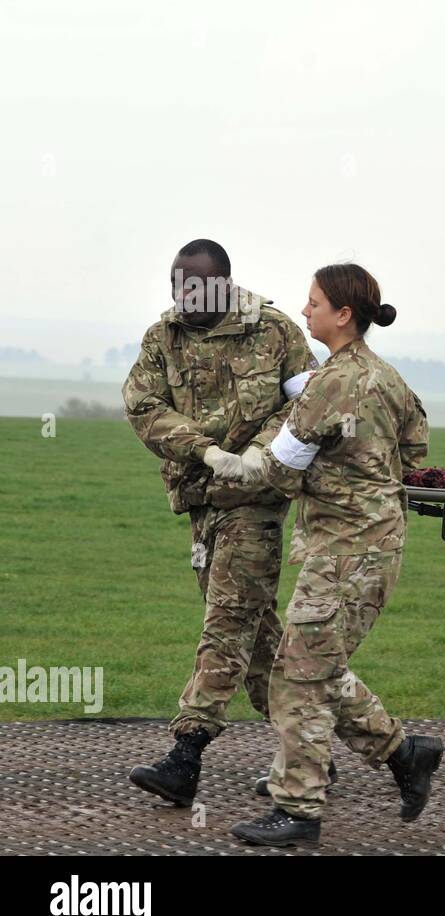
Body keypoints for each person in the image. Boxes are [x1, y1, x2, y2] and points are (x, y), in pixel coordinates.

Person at [226, 263, 440, 847]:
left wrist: (222, 461)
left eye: (314, 302)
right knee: (315, 667)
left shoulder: (329, 383)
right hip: (374, 549)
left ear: (343, 314)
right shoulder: (386, 377)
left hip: (343, 553)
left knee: (298, 678)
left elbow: (278, 467)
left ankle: (298, 810)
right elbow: (416, 446)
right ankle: (404, 753)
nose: (304, 311)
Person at [122, 239, 318, 806]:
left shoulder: (276, 331)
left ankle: (185, 755)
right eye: (175, 286)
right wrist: (204, 451)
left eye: (194, 287)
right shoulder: (164, 338)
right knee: (259, 641)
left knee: (226, 624)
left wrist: (259, 452)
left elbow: (305, 404)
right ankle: (345, 753)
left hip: (255, 503)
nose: (182, 298)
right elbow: (142, 406)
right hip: (200, 499)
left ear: (225, 284)